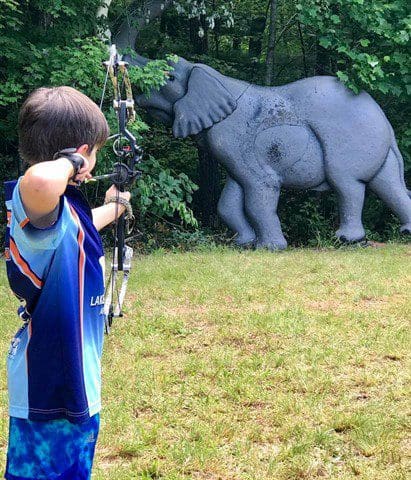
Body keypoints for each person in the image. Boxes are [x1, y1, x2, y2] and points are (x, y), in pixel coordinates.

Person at [3, 86, 131, 479]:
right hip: (50, 386)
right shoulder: (34, 198)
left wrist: (116, 207)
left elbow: (80, 228)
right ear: (81, 152)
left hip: (72, 381)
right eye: (95, 152)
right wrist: (73, 160)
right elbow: (40, 180)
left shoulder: (61, 212)